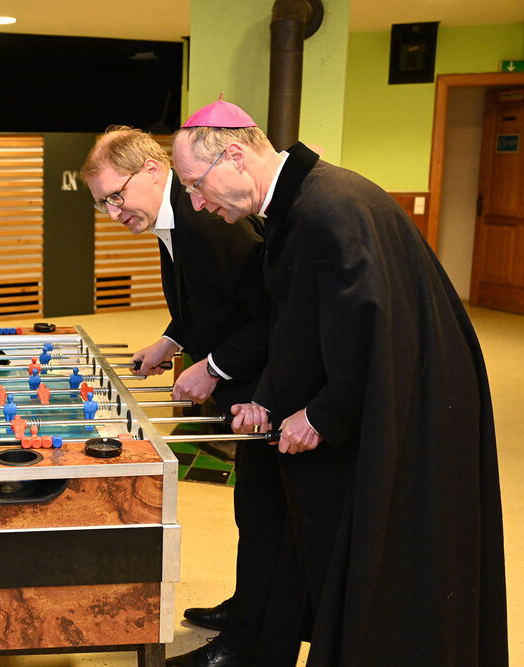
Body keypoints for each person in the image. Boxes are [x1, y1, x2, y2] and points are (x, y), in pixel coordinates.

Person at [171, 97, 508, 667]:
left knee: (391, 569)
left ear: (234, 157)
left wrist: (321, 414)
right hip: (380, 400)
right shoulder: (301, 205)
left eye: (196, 185)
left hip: (412, 413)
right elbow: (299, 326)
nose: (197, 203)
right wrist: (269, 400)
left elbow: (372, 335)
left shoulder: (327, 211)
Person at [81, 127, 280, 667]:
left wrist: (212, 369)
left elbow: (271, 316)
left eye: (115, 196)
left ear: (151, 169)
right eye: (102, 204)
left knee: (266, 516)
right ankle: (247, 607)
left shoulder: (206, 222)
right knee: (253, 511)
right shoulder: (172, 216)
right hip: (246, 381)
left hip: (268, 388)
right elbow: (207, 300)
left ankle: (247, 641)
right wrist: (171, 341)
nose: (112, 213)